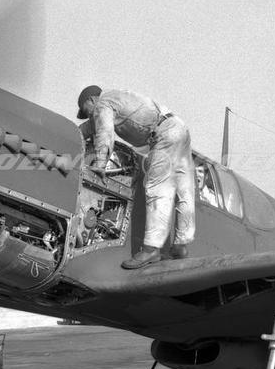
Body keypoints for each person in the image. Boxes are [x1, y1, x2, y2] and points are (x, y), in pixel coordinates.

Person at [77, 85, 195, 268]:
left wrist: (99, 164)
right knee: (184, 190)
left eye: (86, 111)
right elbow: (89, 128)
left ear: (92, 100)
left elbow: (104, 132)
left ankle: (151, 250)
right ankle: (181, 245)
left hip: (164, 134)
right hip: (178, 128)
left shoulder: (102, 104)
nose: (89, 116)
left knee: (157, 189)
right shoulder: (115, 100)